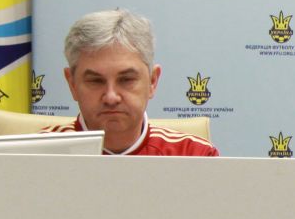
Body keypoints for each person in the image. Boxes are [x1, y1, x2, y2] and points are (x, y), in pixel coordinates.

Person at [44, 9, 219, 156]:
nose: (111, 97)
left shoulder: (194, 155)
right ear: (72, 84)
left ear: (152, 81)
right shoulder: (37, 154)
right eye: (96, 81)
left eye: (126, 80)